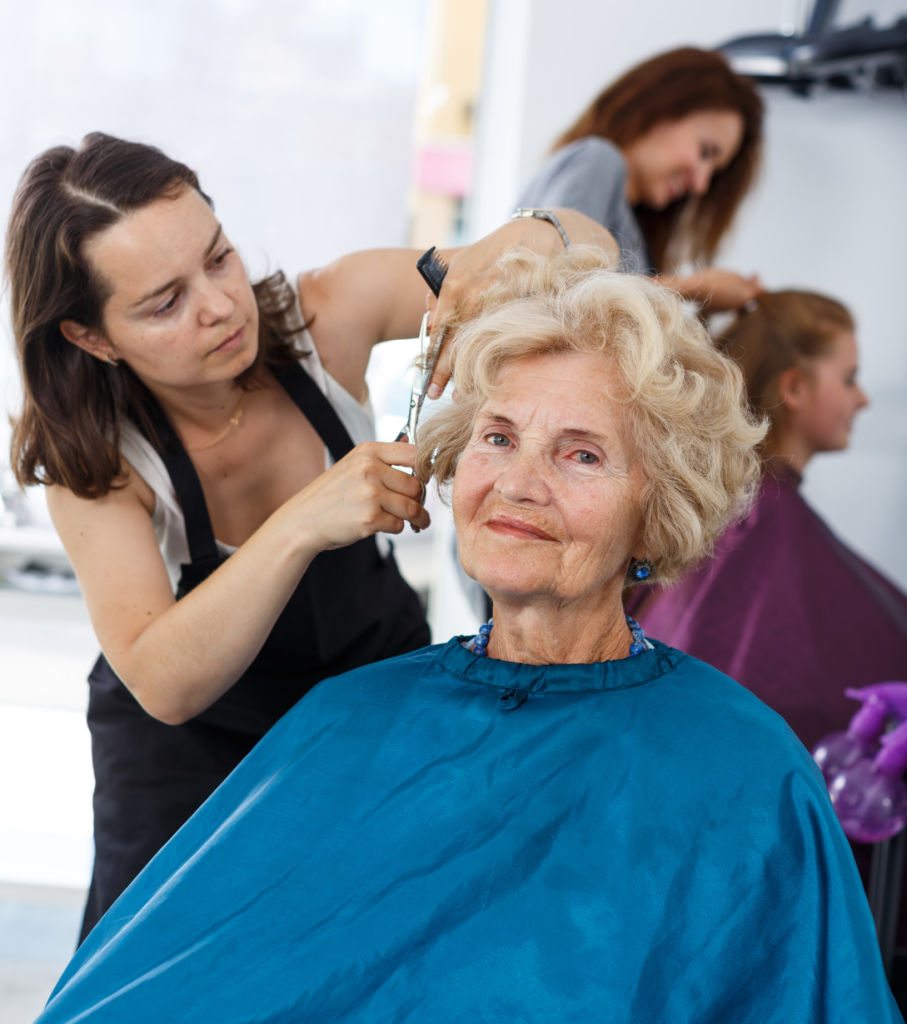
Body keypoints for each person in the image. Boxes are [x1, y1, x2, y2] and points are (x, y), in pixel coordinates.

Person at [36, 250, 900, 1022]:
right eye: (497, 437)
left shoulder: (743, 769)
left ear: (656, 509)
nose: (517, 482)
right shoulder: (348, 719)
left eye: (581, 454)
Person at [5, 132, 616, 939]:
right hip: (186, 758)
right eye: (165, 303)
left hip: (366, 702)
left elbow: (591, 248)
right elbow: (164, 681)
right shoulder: (97, 457)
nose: (219, 305)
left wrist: (520, 241)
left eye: (218, 258)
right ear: (92, 337)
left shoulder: (326, 313)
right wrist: (304, 519)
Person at [627, 289, 907, 754]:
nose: (862, 399)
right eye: (849, 379)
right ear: (793, 389)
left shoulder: (740, 510)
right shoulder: (756, 521)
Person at [516, 46, 764, 312]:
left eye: (713, 173)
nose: (701, 184)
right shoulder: (598, 161)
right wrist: (694, 288)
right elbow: (556, 290)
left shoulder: (636, 230)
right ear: (661, 108)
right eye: (705, 152)